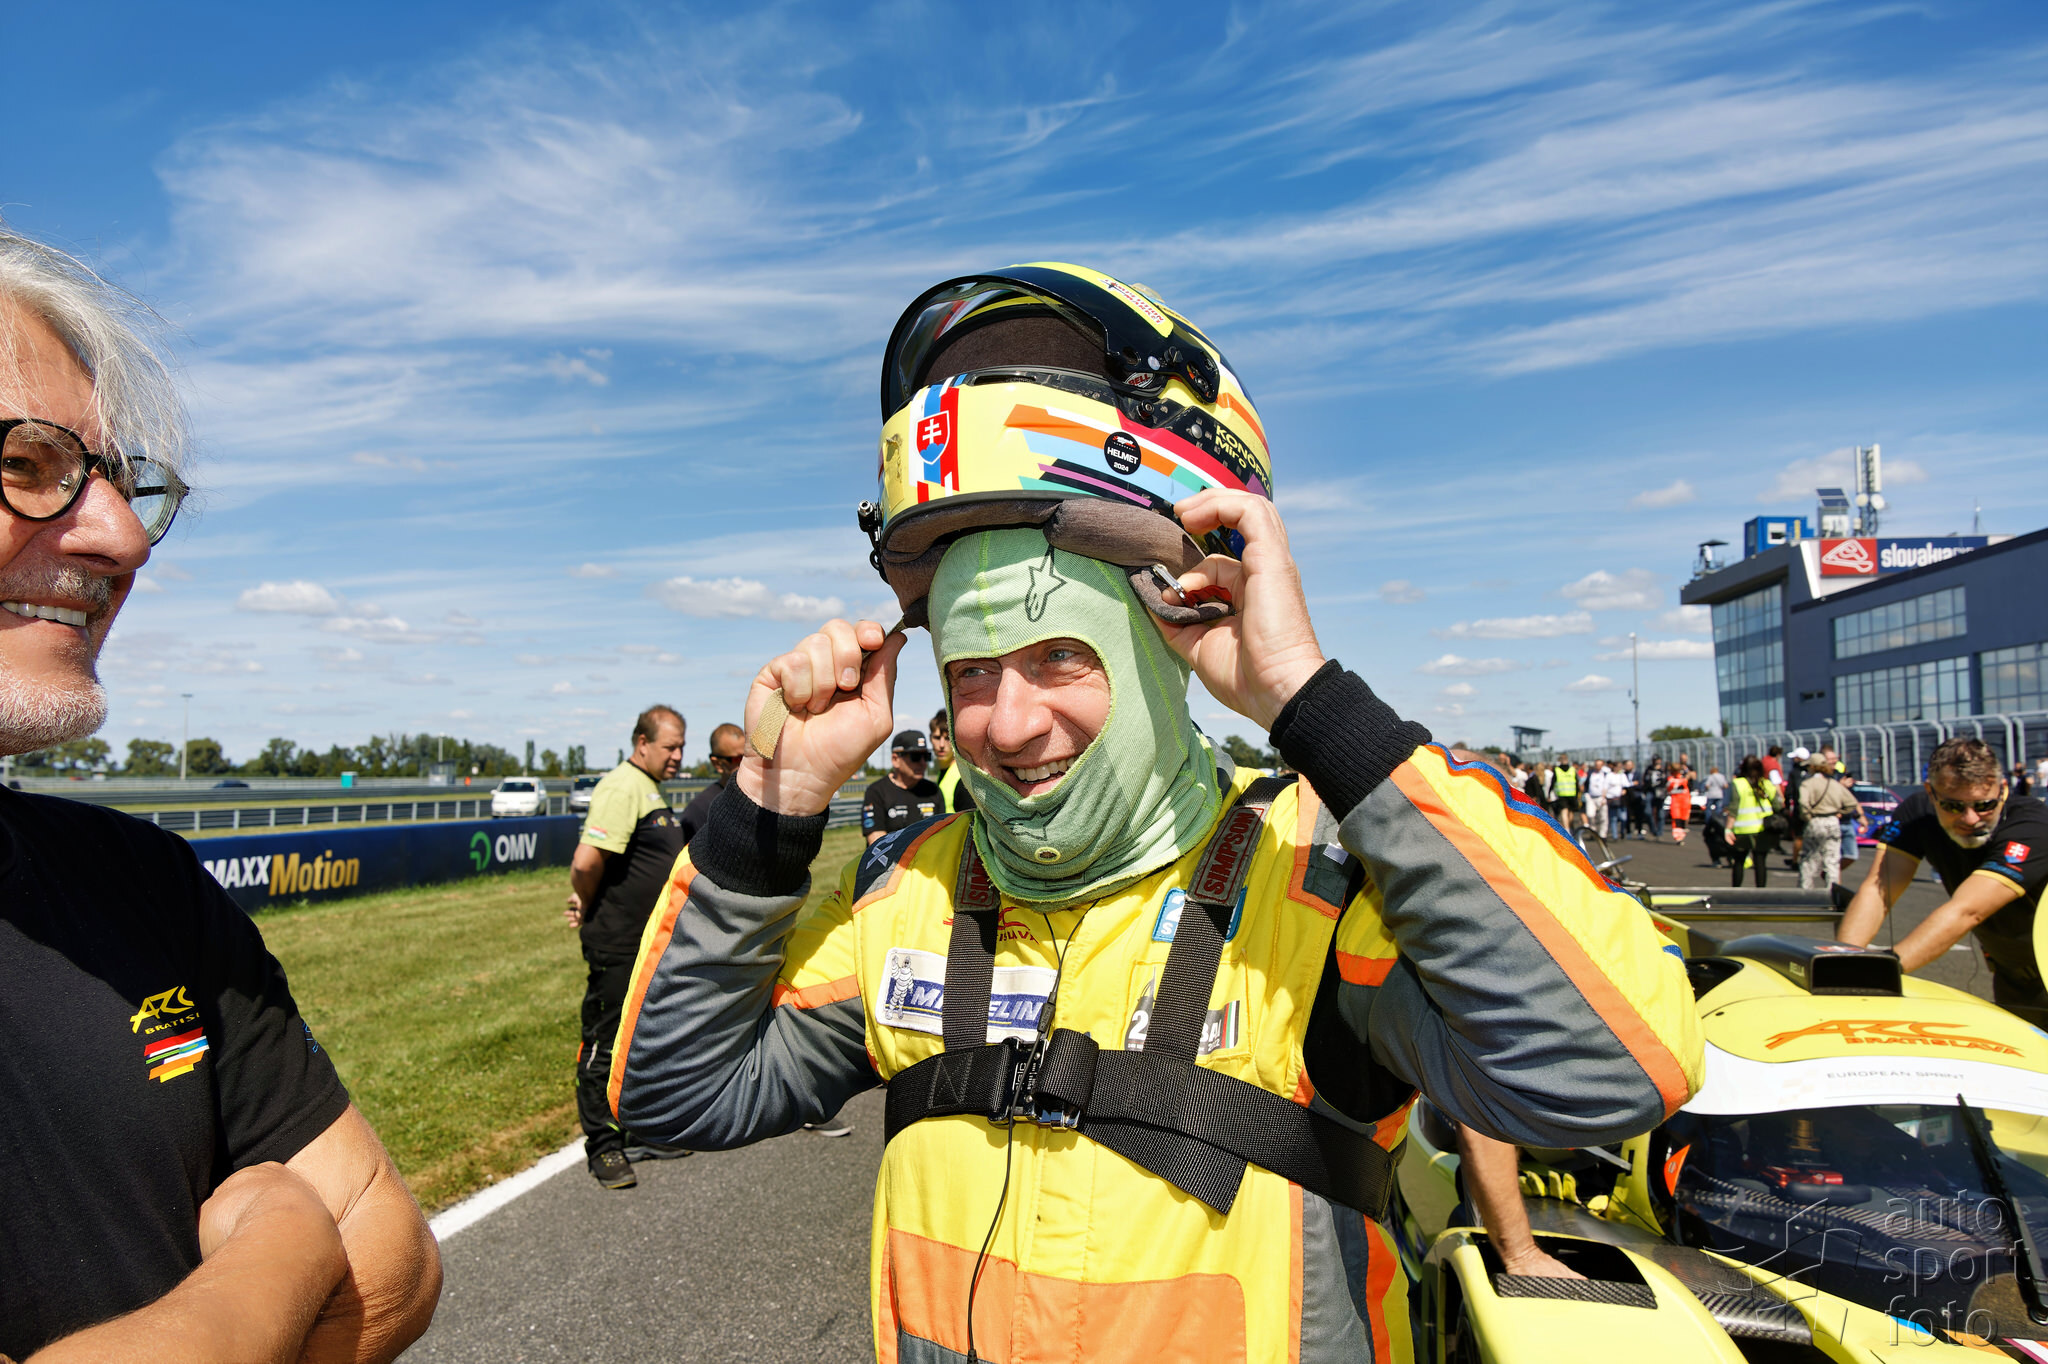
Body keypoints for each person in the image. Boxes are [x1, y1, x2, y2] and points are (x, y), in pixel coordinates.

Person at [610, 263, 1701, 1362]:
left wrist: (1307, 700)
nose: (1007, 722)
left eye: (1059, 657)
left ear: (1157, 655)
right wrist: (777, 801)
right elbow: (676, 1095)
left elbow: (1612, 1069)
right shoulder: (908, 894)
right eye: (974, 672)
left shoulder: (1315, 883)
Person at [0, 226, 439, 1360]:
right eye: (28, 465)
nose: (124, 538)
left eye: (121, 483)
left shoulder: (137, 876)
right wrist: (282, 1238)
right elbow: (333, 1232)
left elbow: (394, 1262)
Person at [1838, 737, 2048, 1026]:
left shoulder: (2033, 825)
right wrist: (1840, 964)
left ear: (2003, 789)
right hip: (2013, 973)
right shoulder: (1918, 814)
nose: (1971, 818)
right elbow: (1878, 889)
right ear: (1930, 792)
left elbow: (1968, 910)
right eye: (1952, 805)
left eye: (1984, 805)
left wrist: (1879, 973)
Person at [565, 705, 689, 1188]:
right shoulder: (621, 786)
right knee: (605, 1042)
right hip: (618, 941)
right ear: (642, 743)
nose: (678, 755)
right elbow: (586, 862)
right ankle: (603, 1145)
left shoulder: (648, 787)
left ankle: (636, 1130)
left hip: (647, 943)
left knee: (640, 1040)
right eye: (670, 747)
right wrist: (587, 903)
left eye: (681, 747)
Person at [860, 728, 941, 845]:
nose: (923, 763)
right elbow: (877, 842)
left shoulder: (933, 790)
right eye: (916, 757)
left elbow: (941, 836)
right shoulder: (876, 792)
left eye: (926, 756)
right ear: (895, 759)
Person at [1795, 753, 1860, 890]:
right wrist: (1839, 812)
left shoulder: (1807, 784)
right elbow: (1851, 803)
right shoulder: (1834, 784)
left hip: (1815, 820)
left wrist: (1807, 817)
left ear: (1812, 767)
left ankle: (1805, 891)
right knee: (1832, 860)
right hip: (1832, 821)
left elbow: (1803, 803)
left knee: (1809, 859)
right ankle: (1832, 892)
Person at [678, 721, 745, 845]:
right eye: (737, 759)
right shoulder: (699, 810)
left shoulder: (759, 800)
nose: (744, 763)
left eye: (747, 756)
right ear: (717, 764)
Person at [1727, 755, 1783, 888]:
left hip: (1742, 829)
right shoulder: (1766, 784)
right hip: (1763, 829)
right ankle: (1761, 892)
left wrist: (1728, 828)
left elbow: (1733, 808)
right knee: (1760, 862)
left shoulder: (1739, 784)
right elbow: (1777, 806)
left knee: (1739, 862)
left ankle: (1736, 890)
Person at [929, 706, 976, 813]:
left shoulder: (963, 778)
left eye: (947, 738)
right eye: (937, 738)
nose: (941, 745)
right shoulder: (942, 773)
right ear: (930, 738)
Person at [1550, 752, 1579, 831]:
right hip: (1572, 793)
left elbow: (1553, 782)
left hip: (1562, 794)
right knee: (1571, 812)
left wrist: (1549, 793)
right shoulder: (1572, 769)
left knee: (1564, 811)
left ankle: (1567, 829)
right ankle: (1570, 826)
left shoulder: (1557, 770)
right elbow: (1576, 783)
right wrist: (1577, 793)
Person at [1667, 763, 1692, 844]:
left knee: (1683, 818)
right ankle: (1678, 837)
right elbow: (1669, 788)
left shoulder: (1683, 778)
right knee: (1676, 818)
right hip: (1676, 801)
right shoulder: (1671, 779)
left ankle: (1681, 834)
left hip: (1685, 801)